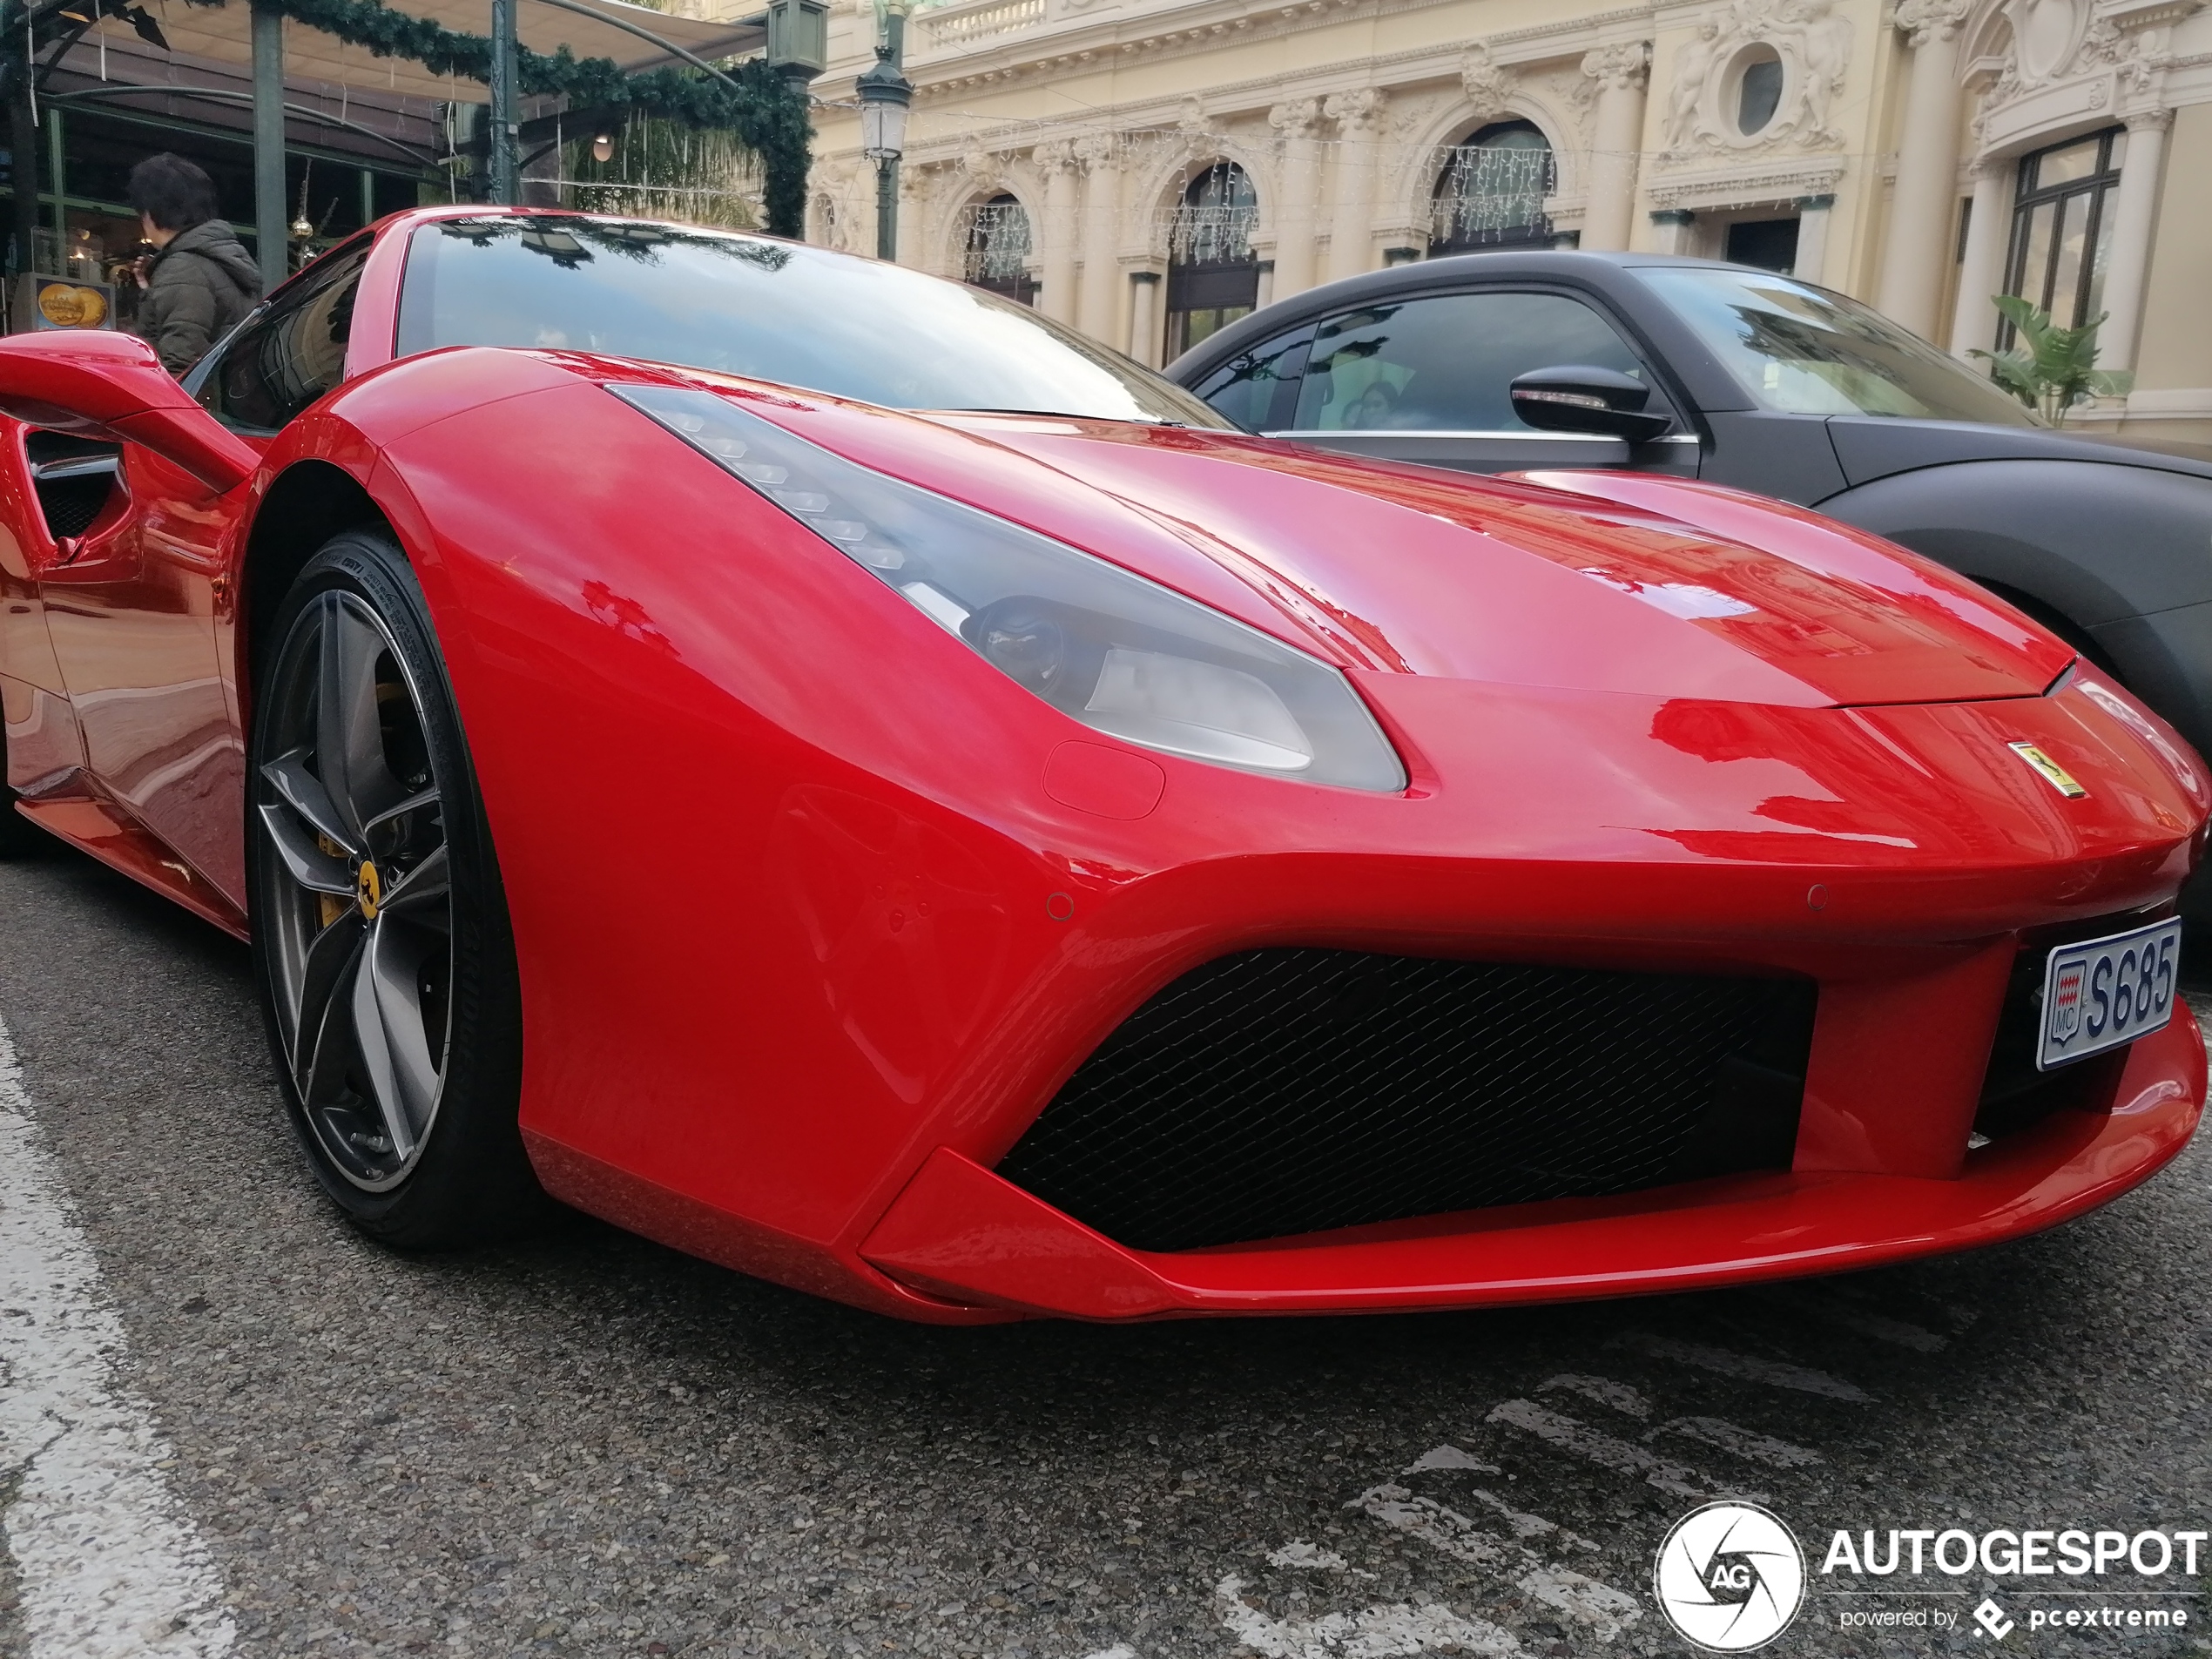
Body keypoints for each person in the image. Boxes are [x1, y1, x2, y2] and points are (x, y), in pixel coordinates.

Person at [125, 153, 261, 375]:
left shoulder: (182, 266)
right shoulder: (222, 258)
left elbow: (180, 361)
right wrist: (151, 290)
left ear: (150, 213)